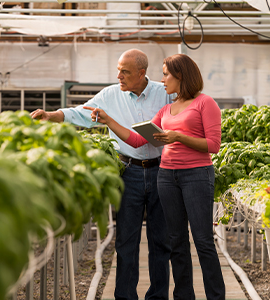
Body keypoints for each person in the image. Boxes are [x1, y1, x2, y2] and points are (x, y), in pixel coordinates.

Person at [31, 49, 173, 300]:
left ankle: (158, 296)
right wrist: (52, 115)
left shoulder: (165, 94)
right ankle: (125, 296)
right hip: (128, 172)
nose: (119, 75)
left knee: (160, 241)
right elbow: (81, 113)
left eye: (125, 71)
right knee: (126, 241)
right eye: (118, 69)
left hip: (161, 171)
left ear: (142, 73)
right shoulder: (109, 95)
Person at [84, 53, 225, 300]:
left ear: (181, 76)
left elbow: (213, 145)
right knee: (176, 243)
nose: (163, 79)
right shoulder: (167, 109)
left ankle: (215, 296)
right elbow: (138, 140)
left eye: (166, 74)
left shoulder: (205, 103)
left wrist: (178, 137)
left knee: (203, 241)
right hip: (167, 177)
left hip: (196, 176)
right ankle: (183, 296)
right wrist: (108, 121)